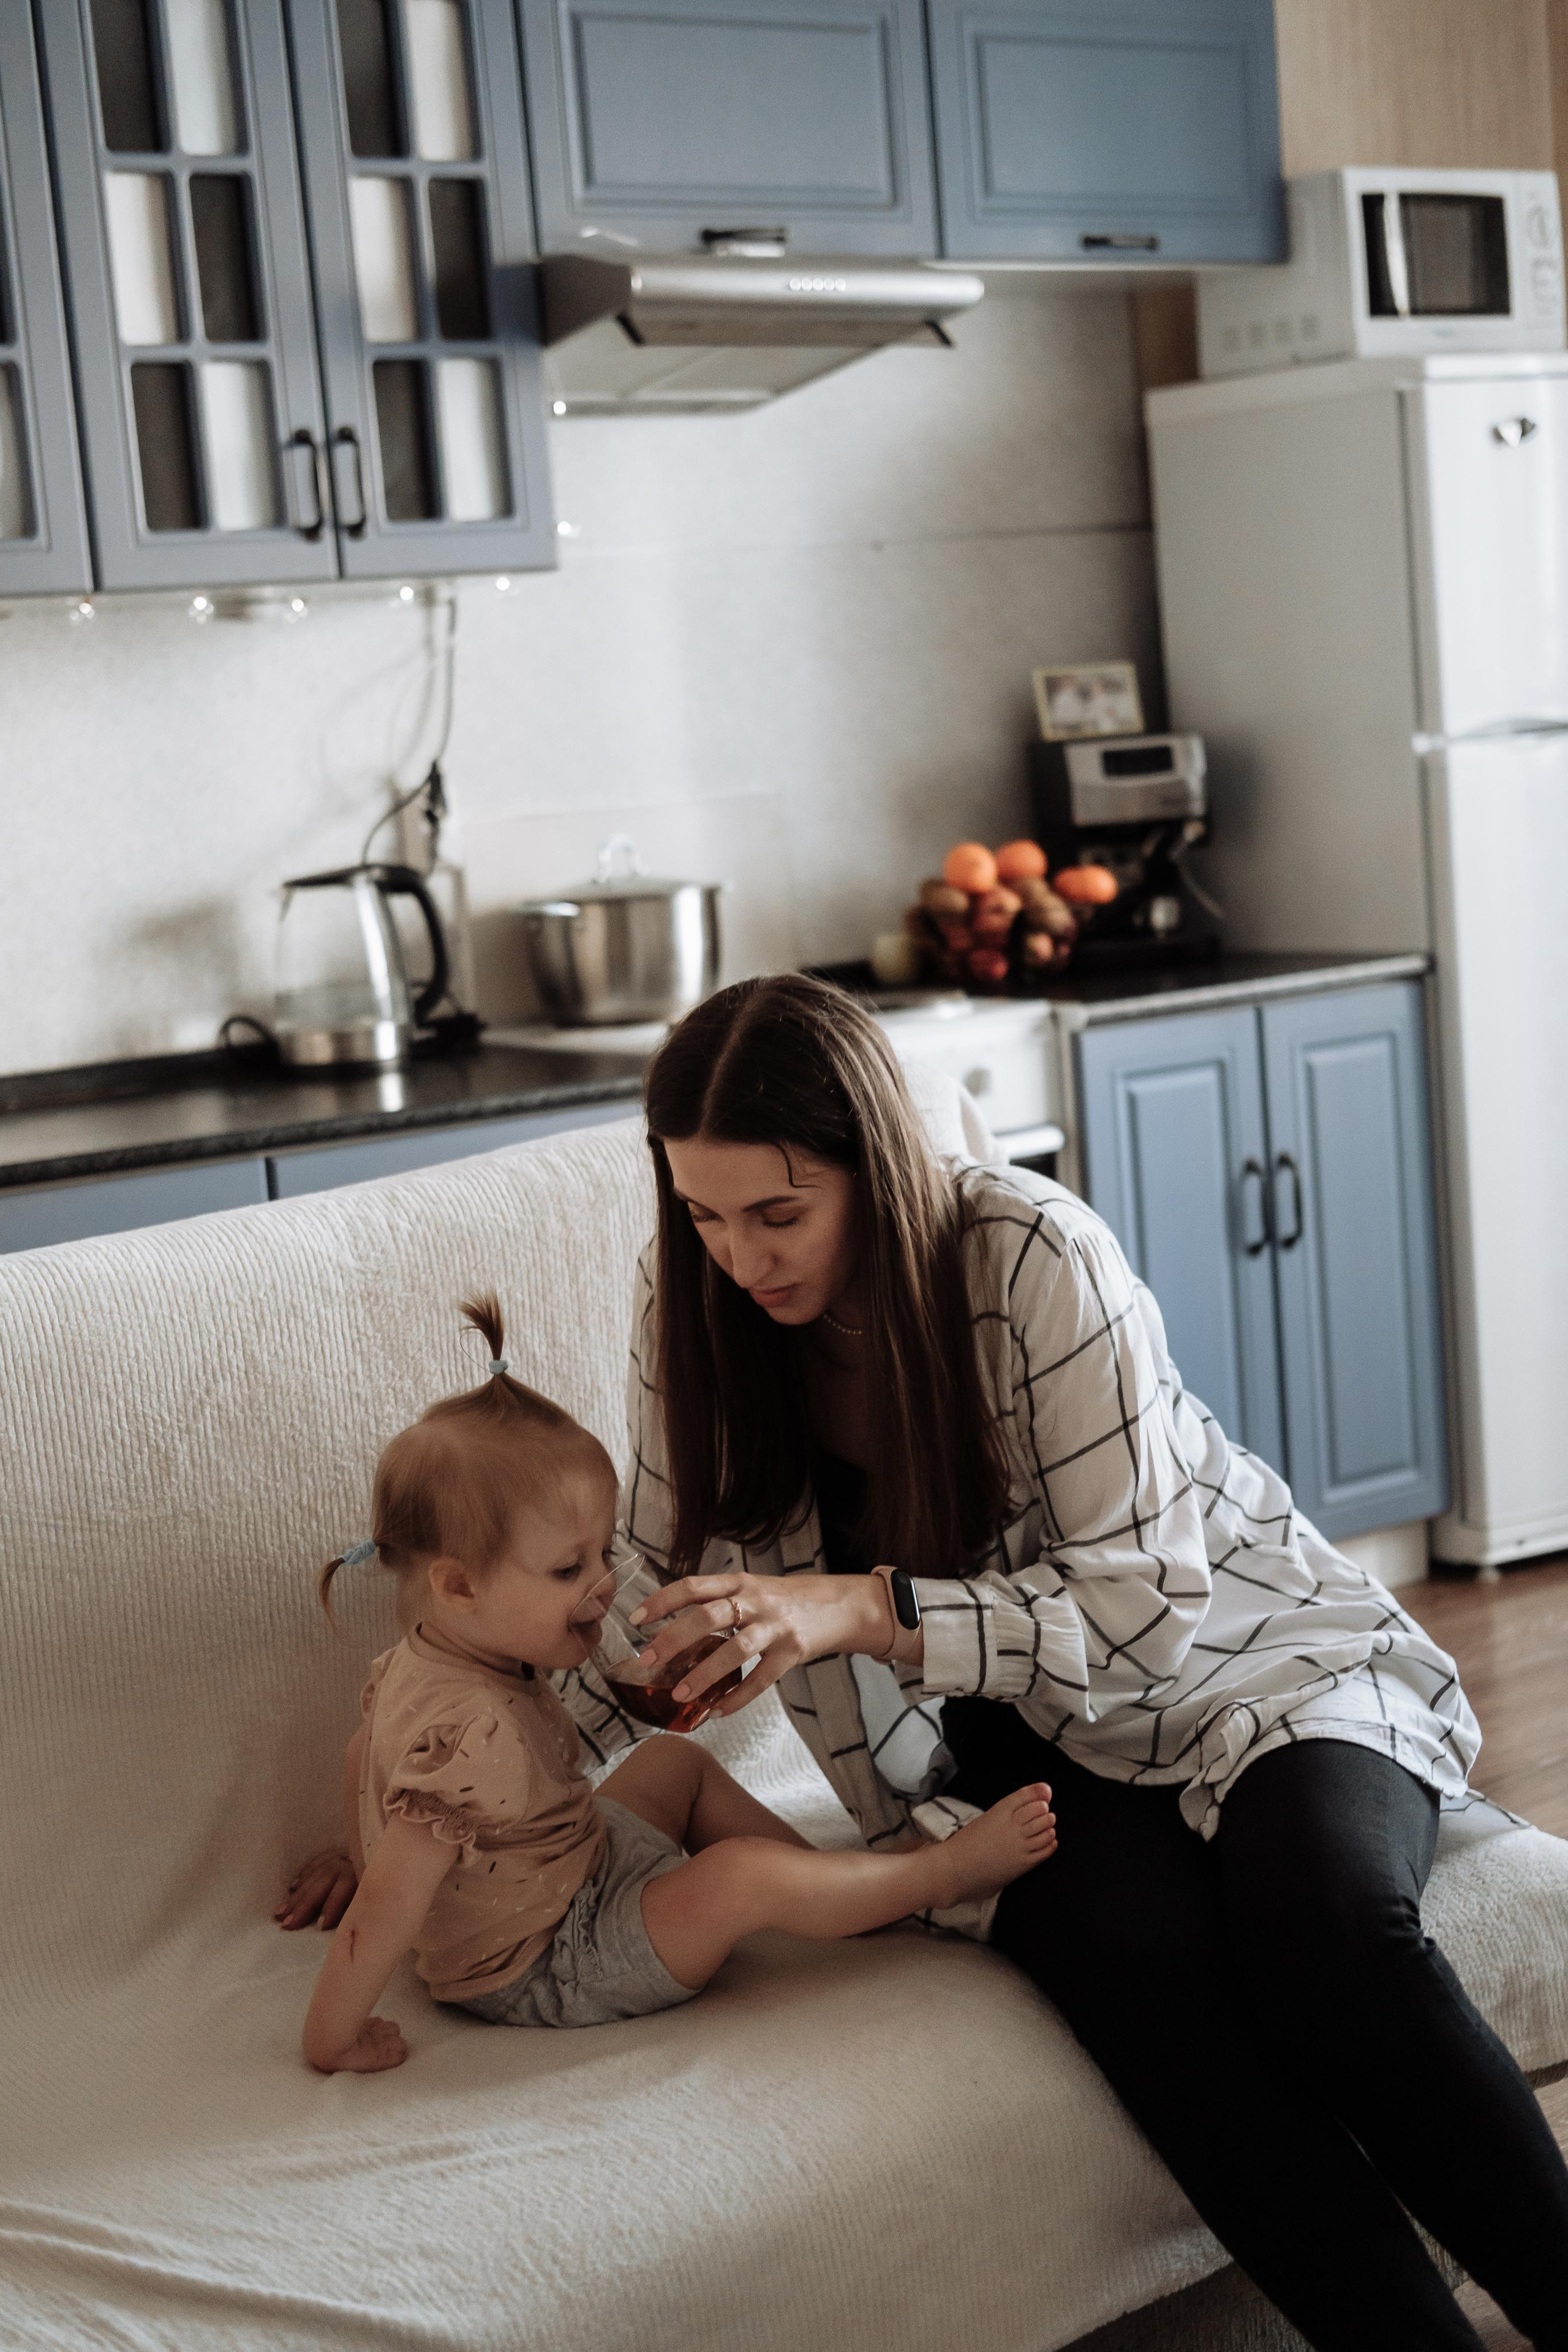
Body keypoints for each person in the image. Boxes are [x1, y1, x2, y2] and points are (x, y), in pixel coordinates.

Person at [584, 973, 1568, 2352]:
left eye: (776, 1212)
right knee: (1140, 1969)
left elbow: (1147, 1613)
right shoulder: (694, 1298)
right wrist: (449, 1790)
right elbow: (643, 1577)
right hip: (1025, 1742)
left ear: (873, 1166)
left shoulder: (1028, 1254)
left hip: (1249, 1660)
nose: (739, 1257)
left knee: (1325, 1933)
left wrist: (861, 1609)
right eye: (700, 1213)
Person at [296, 1291, 1055, 2074]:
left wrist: (362, 1846)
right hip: (546, 1961)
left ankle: (846, 1891)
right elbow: (390, 1907)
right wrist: (334, 2033)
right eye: (567, 1569)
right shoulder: (468, 1732)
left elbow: (365, 1759)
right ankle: (935, 1877)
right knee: (738, 1878)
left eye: (602, 1554)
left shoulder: (422, 1660)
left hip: (571, 1862)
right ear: (460, 1587)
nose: (601, 1587)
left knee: (674, 1764)